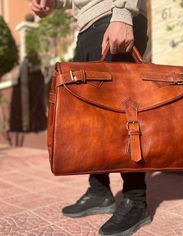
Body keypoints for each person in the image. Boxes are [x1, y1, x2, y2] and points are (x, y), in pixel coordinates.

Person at [31, 0, 150, 235]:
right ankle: (99, 191)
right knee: (92, 119)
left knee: (124, 117)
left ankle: (136, 200)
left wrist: (123, 11)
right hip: (87, 26)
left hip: (114, 17)